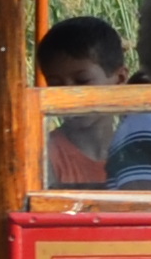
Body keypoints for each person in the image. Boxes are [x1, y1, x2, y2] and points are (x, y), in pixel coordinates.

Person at [36, 14, 126, 190]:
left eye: (82, 81)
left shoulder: (135, 152)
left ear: (119, 79)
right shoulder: (44, 156)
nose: (69, 94)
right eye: (56, 84)